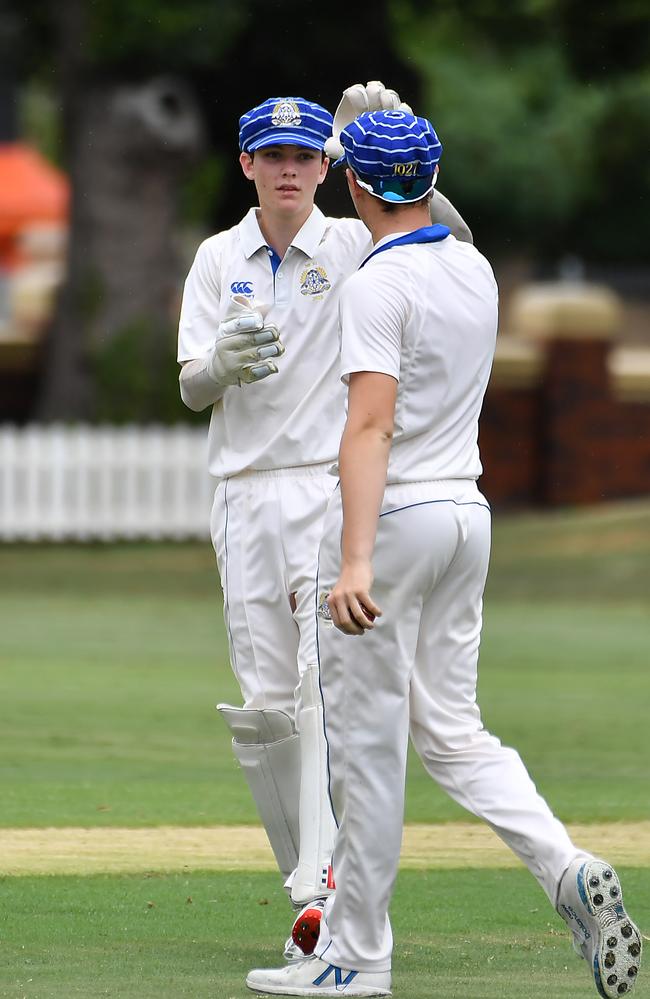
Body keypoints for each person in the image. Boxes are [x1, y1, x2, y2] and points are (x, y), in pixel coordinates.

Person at [245, 111, 643, 997]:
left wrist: (353, 561)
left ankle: (355, 957)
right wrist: (390, 137)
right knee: (454, 731)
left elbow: (371, 425)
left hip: (394, 522)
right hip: (467, 517)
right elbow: (435, 213)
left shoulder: (375, 288)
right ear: (426, 178)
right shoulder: (474, 264)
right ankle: (564, 865)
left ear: (352, 186)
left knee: (368, 747)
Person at [177, 86, 474, 959]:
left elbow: (447, 236)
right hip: (241, 490)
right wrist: (220, 365)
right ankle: (309, 886)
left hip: (324, 484)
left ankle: (329, 891)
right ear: (247, 165)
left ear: (327, 167)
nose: (290, 171)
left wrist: (394, 150)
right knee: (266, 709)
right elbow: (190, 384)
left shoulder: (351, 243)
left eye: (307, 156)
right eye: (274, 157)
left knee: (319, 687)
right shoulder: (214, 257)